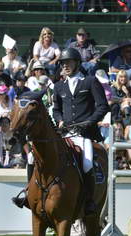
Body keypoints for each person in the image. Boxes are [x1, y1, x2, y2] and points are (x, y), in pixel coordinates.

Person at [49, 48, 110, 214]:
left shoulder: (90, 81)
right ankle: (30, 195)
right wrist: (60, 120)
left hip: (85, 135)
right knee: (35, 157)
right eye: (63, 63)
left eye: (68, 62)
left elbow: (103, 106)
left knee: (87, 163)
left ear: (77, 63)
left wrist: (89, 122)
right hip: (65, 134)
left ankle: (90, 200)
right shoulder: (58, 86)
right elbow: (56, 110)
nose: (65, 66)